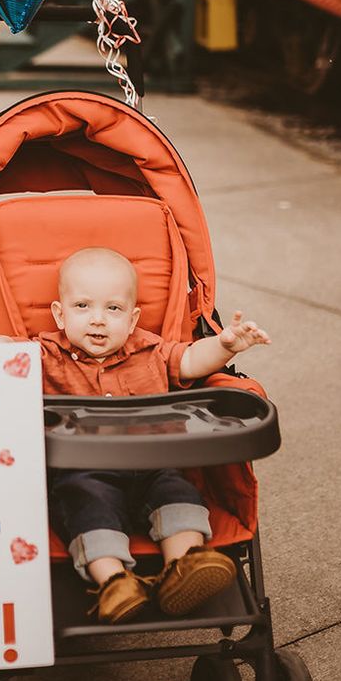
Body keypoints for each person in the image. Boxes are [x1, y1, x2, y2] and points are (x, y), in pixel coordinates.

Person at [39, 247, 269, 625]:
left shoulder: (151, 350)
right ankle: (114, 581)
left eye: (112, 309)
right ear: (59, 315)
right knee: (84, 502)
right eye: (82, 307)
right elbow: (3, 368)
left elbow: (192, 361)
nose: (97, 320)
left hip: (153, 464)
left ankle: (185, 566)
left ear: (132, 320)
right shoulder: (44, 355)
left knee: (177, 491)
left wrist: (223, 346)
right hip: (84, 469)